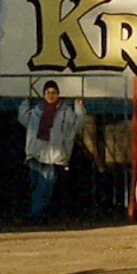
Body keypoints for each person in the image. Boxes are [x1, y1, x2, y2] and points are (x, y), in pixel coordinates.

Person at [17, 80, 86, 223]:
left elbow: (78, 124)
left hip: (52, 156)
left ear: (58, 94)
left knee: (44, 185)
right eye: (48, 92)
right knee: (35, 184)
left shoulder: (65, 113)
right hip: (36, 153)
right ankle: (36, 212)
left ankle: (36, 214)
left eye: (53, 92)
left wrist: (79, 108)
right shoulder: (36, 111)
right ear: (44, 95)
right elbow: (23, 118)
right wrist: (24, 104)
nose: (50, 95)